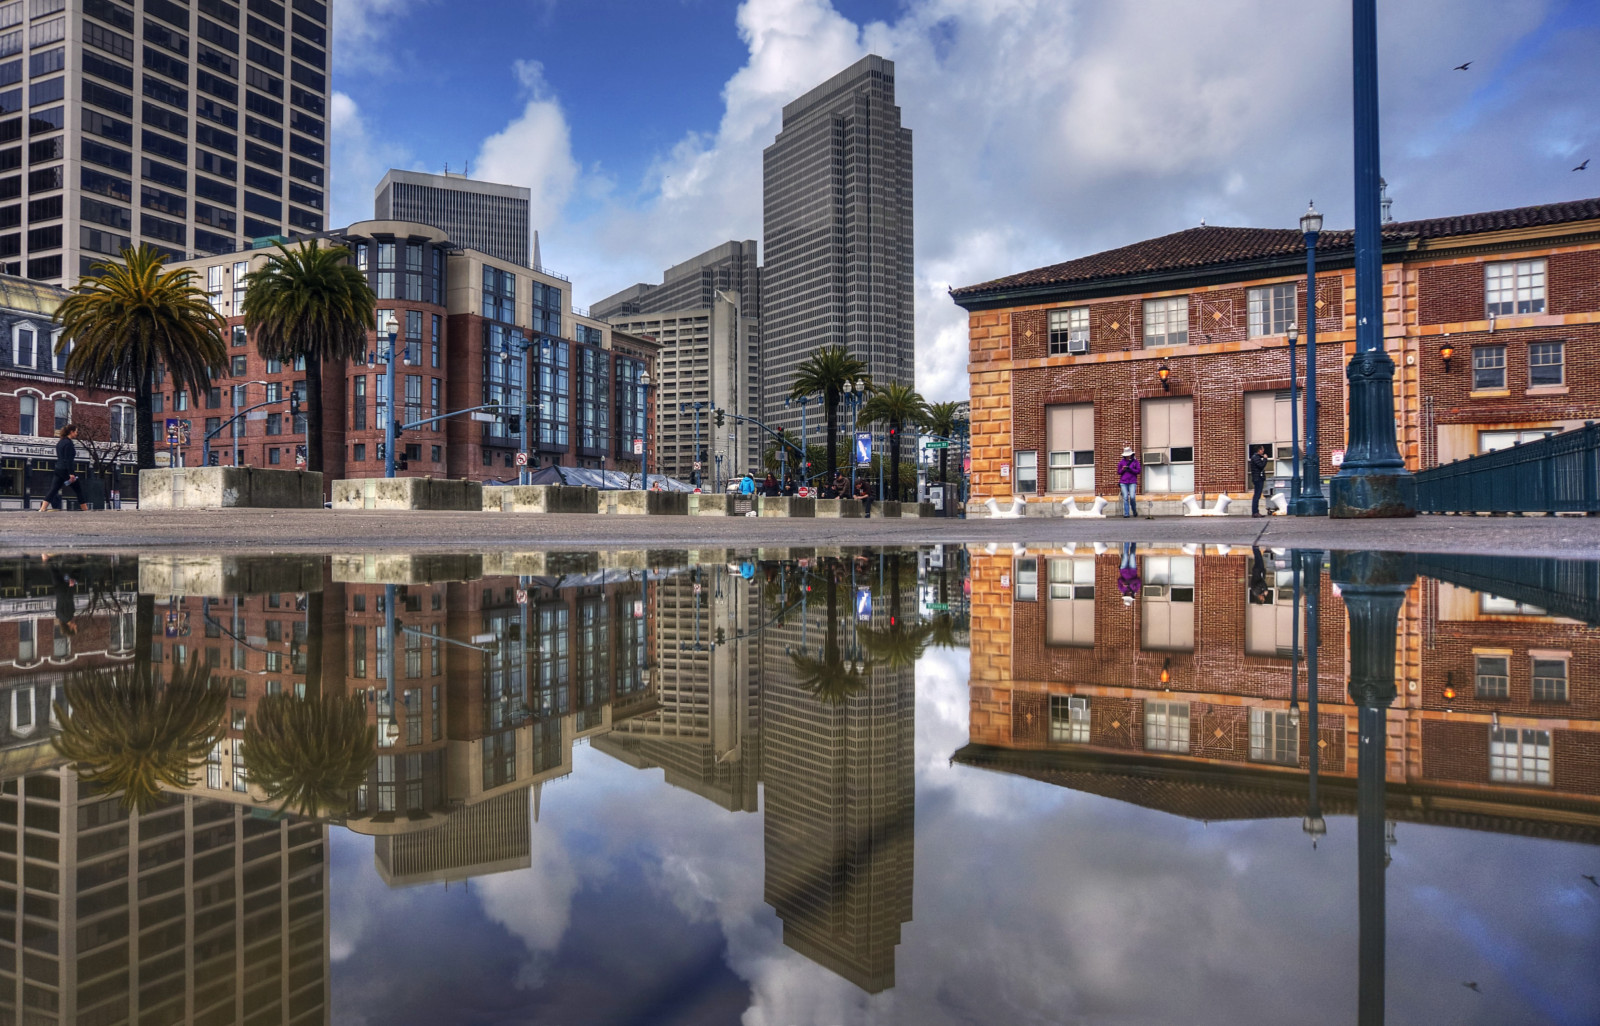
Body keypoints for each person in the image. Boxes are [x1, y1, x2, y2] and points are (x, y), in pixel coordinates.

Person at [39, 423, 81, 513]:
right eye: (76, 432)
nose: (77, 434)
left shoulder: (60, 442)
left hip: (58, 468)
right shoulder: (69, 444)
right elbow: (68, 460)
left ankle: (42, 509)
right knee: (78, 489)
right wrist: (71, 473)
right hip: (65, 470)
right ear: (71, 432)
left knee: (53, 489)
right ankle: (85, 509)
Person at [1116, 446, 1142, 518]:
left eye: (1128, 455)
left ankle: (1134, 510)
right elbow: (1118, 472)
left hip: (1132, 481)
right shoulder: (1121, 462)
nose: (1127, 456)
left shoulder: (1135, 462)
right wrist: (1123, 469)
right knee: (1125, 497)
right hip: (1123, 482)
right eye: (1126, 455)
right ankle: (1126, 513)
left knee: (1132, 497)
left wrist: (1131, 469)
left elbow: (1138, 471)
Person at [1249, 445, 1270, 518]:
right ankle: (1255, 512)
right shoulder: (1256, 457)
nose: (1263, 451)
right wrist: (1265, 459)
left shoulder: (1256, 457)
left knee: (1257, 495)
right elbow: (1261, 466)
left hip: (1258, 478)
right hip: (1257, 478)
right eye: (1262, 450)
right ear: (1259, 450)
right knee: (1257, 495)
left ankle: (1255, 512)